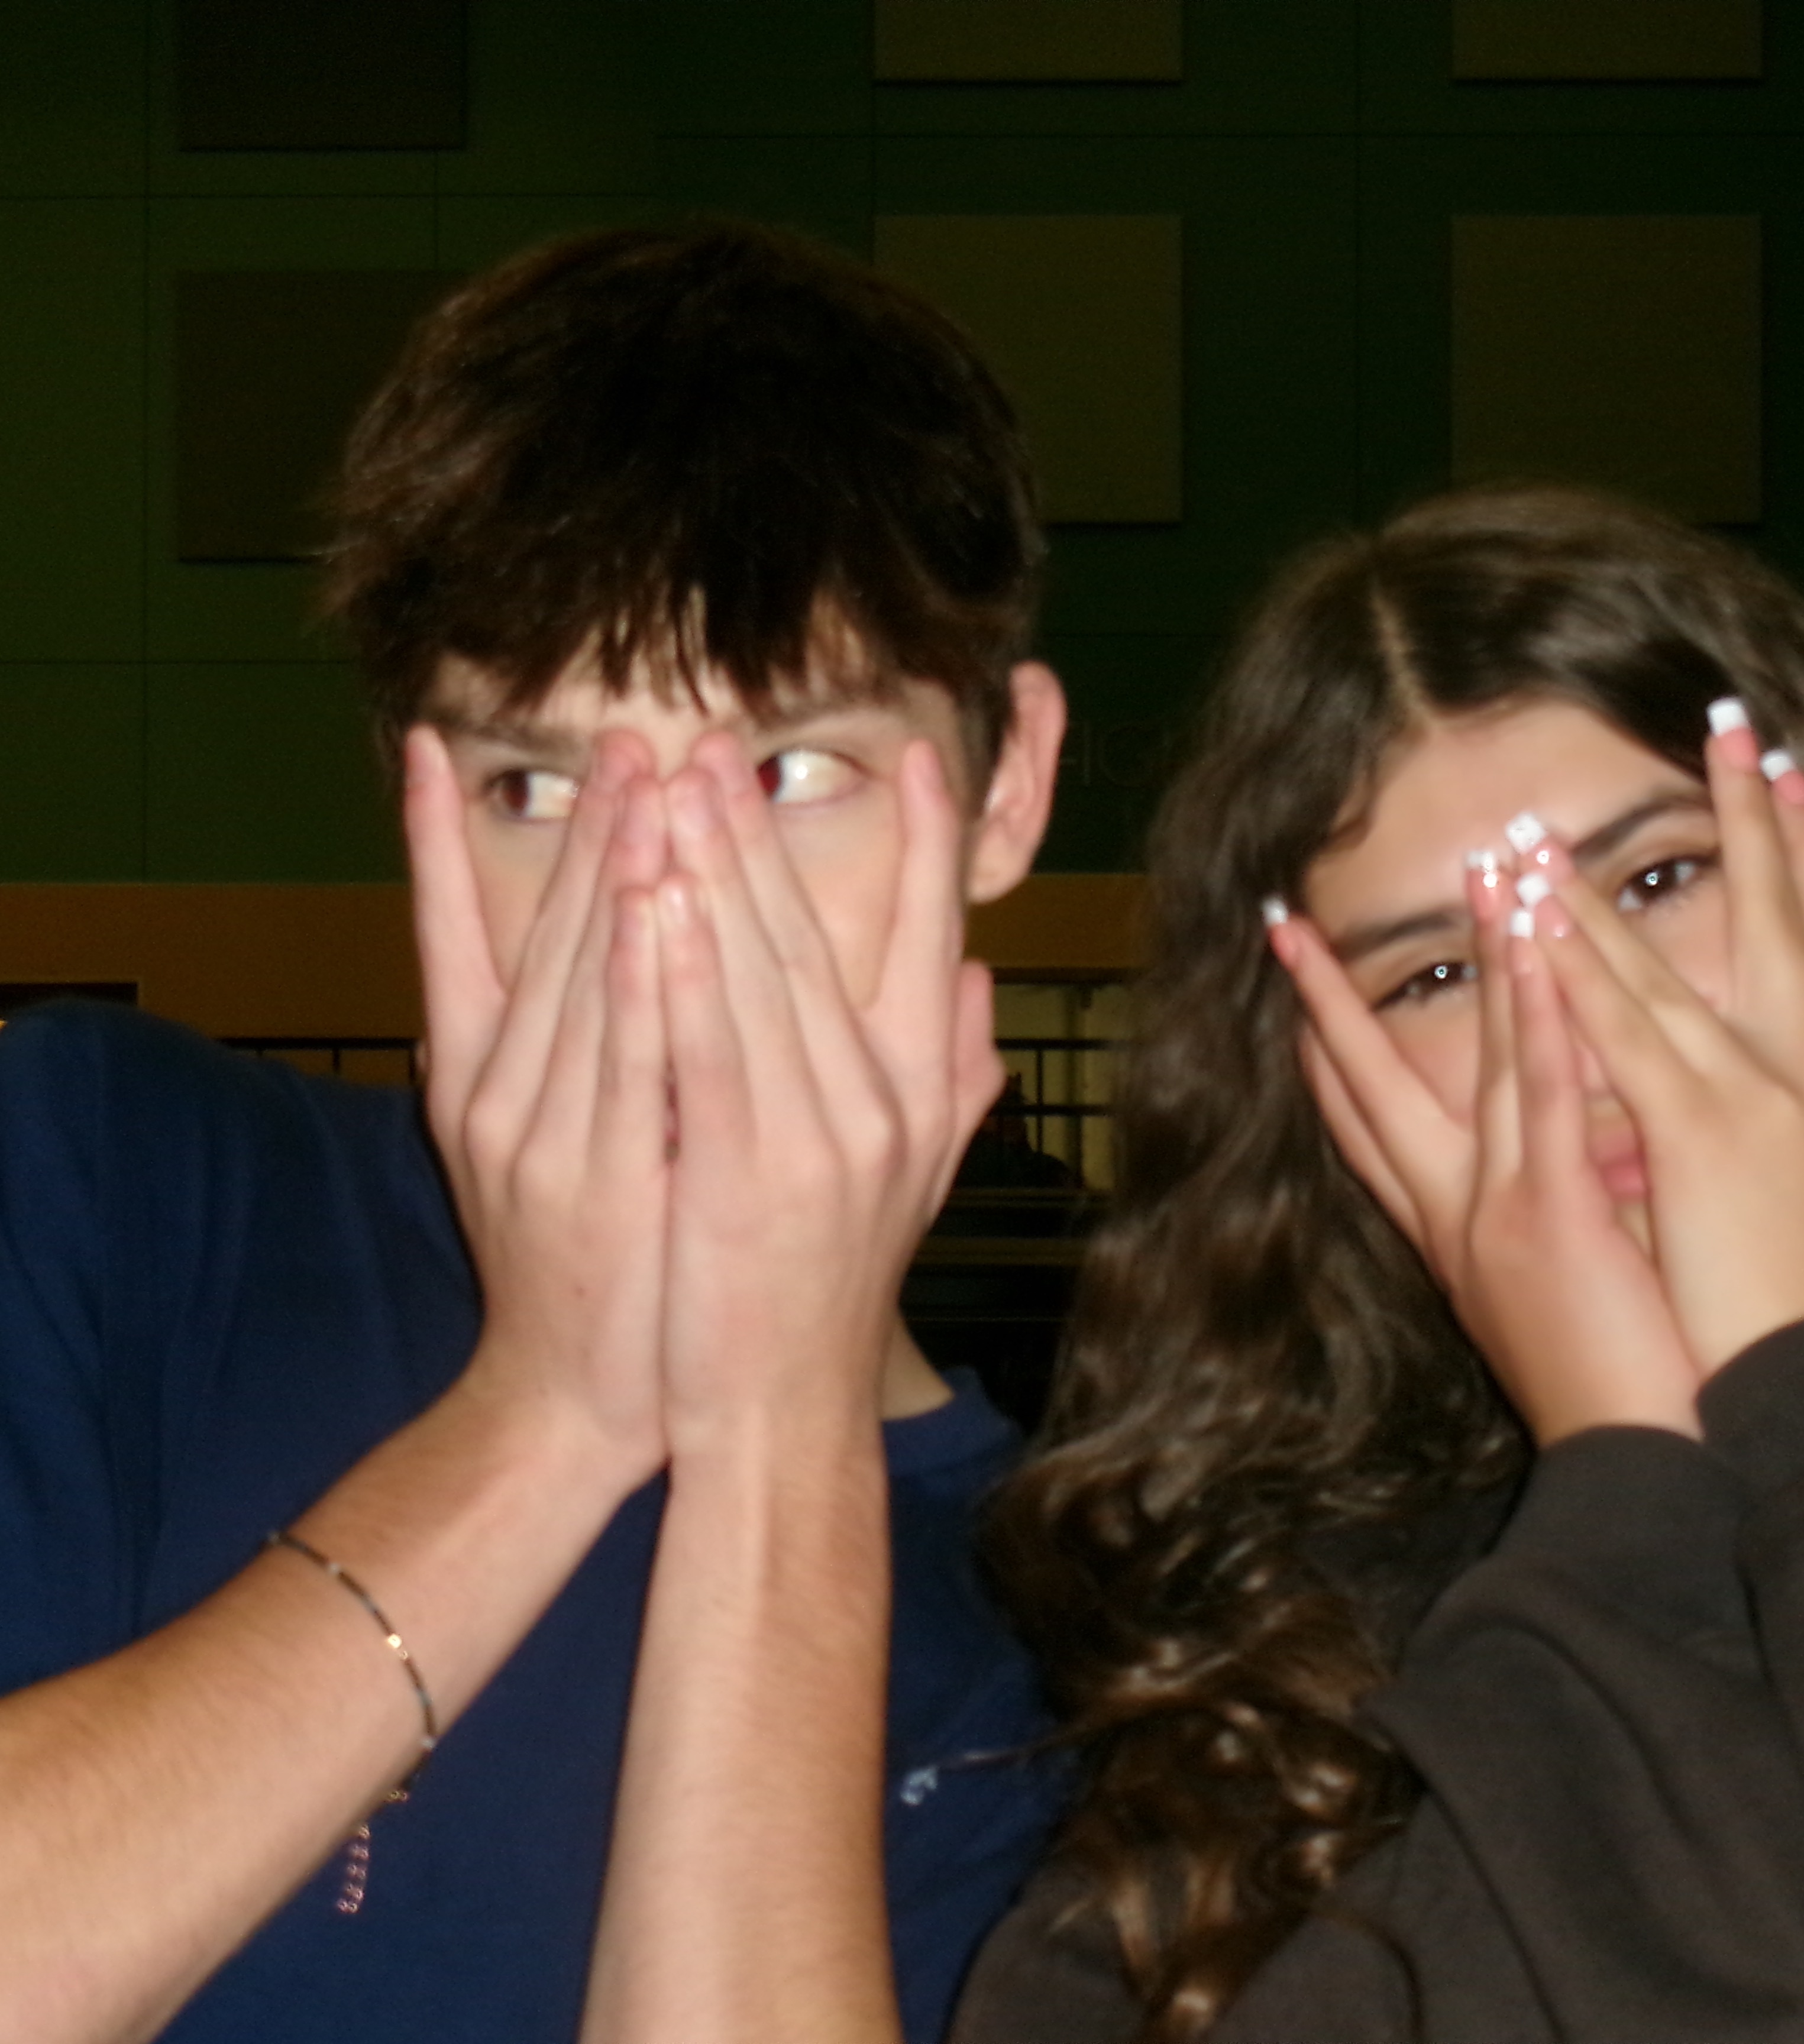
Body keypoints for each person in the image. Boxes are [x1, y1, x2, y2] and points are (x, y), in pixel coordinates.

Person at [580, 483, 1804, 2042]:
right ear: (1323, 1094)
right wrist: (1628, 1480)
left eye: (1656, 881)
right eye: (1437, 972)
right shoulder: (1277, 1622)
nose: (1573, 1029)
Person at [0, 222, 1066, 2044]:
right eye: (539, 787)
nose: (661, 902)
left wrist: (777, 1428)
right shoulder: (116, 1181)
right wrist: (550, 1412)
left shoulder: (1082, 1648)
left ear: (1006, 789)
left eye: (788, 773)